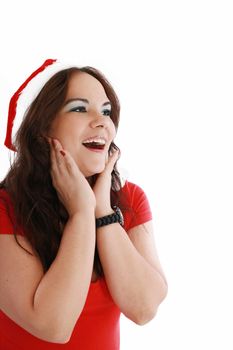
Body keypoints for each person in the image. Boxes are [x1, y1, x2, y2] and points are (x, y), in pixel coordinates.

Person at [0, 59, 168, 349]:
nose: (102, 121)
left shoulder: (130, 200)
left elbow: (143, 309)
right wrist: (81, 213)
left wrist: (102, 211)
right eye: (79, 108)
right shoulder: (5, 207)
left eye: (106, 111)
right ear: (42, 128)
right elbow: (54, 326)